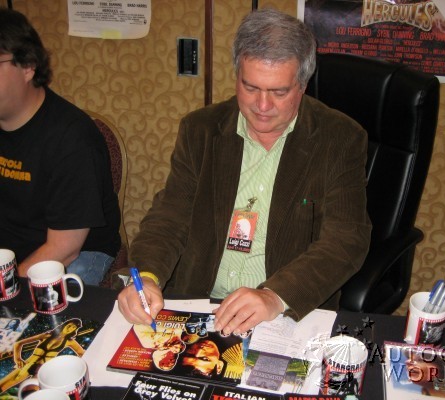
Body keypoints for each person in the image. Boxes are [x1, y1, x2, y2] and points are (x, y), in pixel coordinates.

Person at [118, 8, 371, 334]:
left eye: (279, 92)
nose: (262, 106)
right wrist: (147, 277)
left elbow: (345, 240)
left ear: (303, 85)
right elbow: (170, 216)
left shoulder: (340, 139)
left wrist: (274, 296)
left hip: (282, 313)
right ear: (237, 74)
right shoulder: (201, 130)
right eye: (250, 87)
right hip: (200, 305)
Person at [0, 8, 121, 285]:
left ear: (28, 66)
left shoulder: (72, 138)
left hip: (77, 251)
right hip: (11, 250)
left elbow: (64, 248)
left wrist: (7, 284)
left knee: (48, 309)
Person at [0, 318, 85, 393]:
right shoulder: (47, 335)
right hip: (28, 364)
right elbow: (18, 344)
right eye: (69, 325)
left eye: (74, 327)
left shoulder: (69, 341)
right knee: (2, 385)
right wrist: (17, 358)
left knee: (31, 391)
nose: (70, 328)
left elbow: (82, 353)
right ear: (65, 324)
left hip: (41, 369)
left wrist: (76, 367)